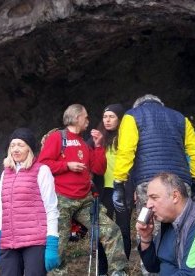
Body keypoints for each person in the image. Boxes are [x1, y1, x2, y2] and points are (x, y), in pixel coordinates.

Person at [37, 103, 127, 275]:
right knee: (59, 245)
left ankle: (118, 272)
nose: (88, 120)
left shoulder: (83, 143)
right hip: (61, 199)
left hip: (85, 200)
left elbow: (99, 169)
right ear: (77, 117)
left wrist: (99, 145)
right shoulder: (57, 137)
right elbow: (43, 164)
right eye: (86, 117)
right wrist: (67, 165)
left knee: (111, 230)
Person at [0, 128, 60, 275]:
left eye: (20, 145)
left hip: (35, 242)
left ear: (29, 149)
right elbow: (1, 210)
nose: (15, 149)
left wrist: (52, 245)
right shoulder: (5, 174)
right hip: (8, 242)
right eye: (12, 145)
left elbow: (51, 209)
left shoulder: (42, 170)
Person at [89, 103, 132, 262]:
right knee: (103, 231)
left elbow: (134, 164)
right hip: (103, 190)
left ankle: (123, 266)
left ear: (120, 119)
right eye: (105, 117)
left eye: (112, 117)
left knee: (123, 230)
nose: (107, 120)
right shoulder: (97, 137)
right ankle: (102, 267)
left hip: (122, 189)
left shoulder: (127, 137)